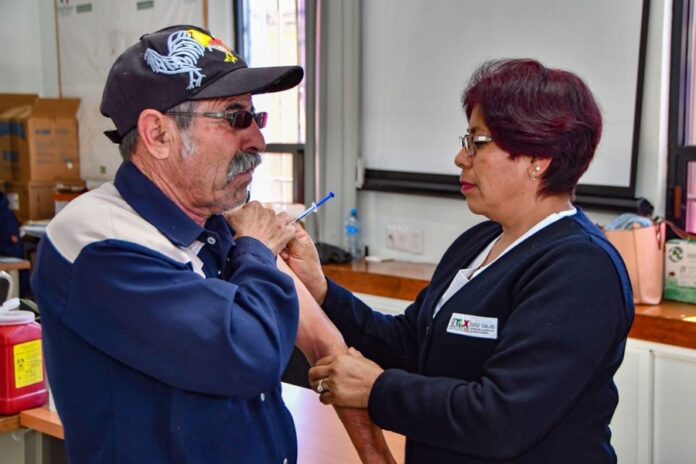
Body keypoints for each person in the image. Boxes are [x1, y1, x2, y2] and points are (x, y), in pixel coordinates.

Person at [31, 25, 392, 463]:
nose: (258, 140)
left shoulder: (216, 224)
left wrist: (378, 458)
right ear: (158, 135)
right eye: (235, 117)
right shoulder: (98, 241)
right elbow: (247, 357)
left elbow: (326, 345)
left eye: (256, 118)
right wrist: (257, 251)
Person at [284, 59, 634, 463]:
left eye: (477, 142)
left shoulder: (580, 268)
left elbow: (501, 419)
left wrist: (379, 390)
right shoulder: (481, 240)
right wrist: (321, 290)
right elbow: (413, 345)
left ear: (539, 158)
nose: (459, 157)